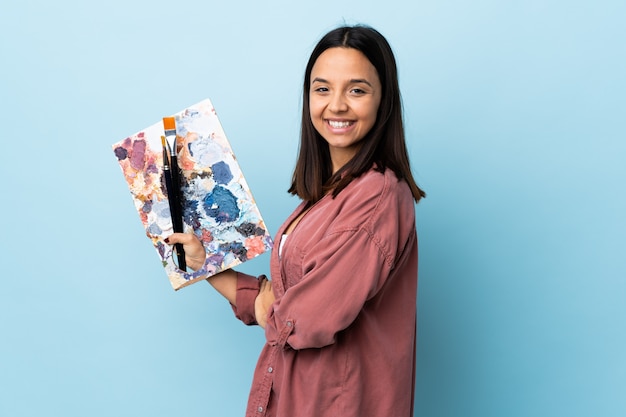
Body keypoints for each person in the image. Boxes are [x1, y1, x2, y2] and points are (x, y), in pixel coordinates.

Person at [167, 24, 425, 417]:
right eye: (322, 89)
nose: (336, 105)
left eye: (356, 90)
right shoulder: (324, 196)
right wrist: (205, 263)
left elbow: (304, 320)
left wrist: (283, 308)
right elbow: (288, 308)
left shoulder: (378, 195)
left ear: (383, 100)